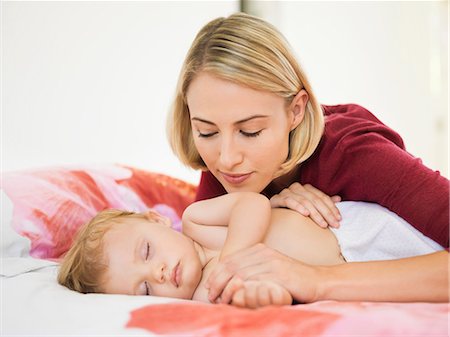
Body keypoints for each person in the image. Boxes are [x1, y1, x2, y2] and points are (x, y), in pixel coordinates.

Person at [167, 12, 449, 304]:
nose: (225, 159)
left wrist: (314, 280)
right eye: (206, 131)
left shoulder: (355, 153)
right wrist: (270, 211)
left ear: (296, 111)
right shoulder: (224, 167)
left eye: (250, 131)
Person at [57, 192, 446, 308]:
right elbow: (272, 294)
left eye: (147, 251)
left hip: (355, 231)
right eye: (144, 289)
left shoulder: (197, 221)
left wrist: (233, 257)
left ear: (156, 221)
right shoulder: (204, 297)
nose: (157, 273)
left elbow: (253, 205)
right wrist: (263, 295)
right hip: (358, 276)